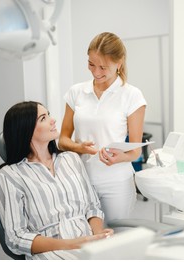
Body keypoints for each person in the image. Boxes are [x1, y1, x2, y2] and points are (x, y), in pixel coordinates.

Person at [0, 101, 114, 260]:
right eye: (43, 118)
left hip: (90, 242)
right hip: (51, 252)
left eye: (49, 114)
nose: (53, 120)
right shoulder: (8, 176)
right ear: (26, 129)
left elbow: (92, 206)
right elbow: (16, 238)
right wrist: (72, 244)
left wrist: (98, 234)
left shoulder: (71, 159)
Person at [59, 32, 147, 222]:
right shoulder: (76, 93)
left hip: (116, 184)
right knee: (84, 240)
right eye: (91, 64)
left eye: (103, 67)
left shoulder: (132, 96)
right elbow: (62, 141)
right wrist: (78, 147)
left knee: (115, 239)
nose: (96, 72)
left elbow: (135, 152)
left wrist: (120, 157)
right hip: (79, 181)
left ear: (119, 62)